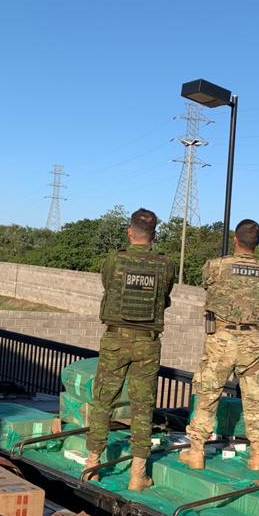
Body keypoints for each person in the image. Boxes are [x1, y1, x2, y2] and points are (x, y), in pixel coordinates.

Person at [86, 208, 176, 491]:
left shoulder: (115, 260)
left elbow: (107, 284)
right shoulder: (165, 264)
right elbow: (165, 295)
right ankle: (138, 475)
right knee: (142, 406)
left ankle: (92, 465)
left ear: (129, 232)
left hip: (116, 338)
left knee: (103, 400)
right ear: (154, 235)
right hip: (147, 342)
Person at [183, 219, 259, 471]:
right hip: (253, 341)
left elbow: (207, 283)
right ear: (257, 242)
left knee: (208, 395)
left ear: (235, 239)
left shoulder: (215, 266)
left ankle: (197, 453)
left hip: (222, 339)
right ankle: (257, 456)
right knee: (254, 398)